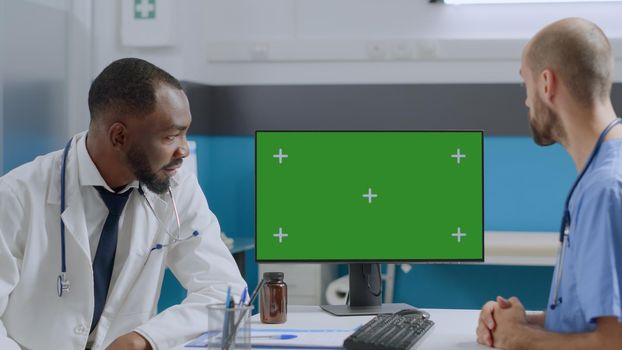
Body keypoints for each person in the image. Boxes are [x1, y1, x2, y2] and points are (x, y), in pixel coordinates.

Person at [0, 58, 247, 350]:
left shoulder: (176, 189)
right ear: (119, 136)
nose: (183, 150)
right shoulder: (17, 196)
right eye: (170, 136)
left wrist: (145, 339)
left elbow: (227, 292)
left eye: (185, 133)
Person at [476, 18, 622, 349]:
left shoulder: (605, 190)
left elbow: (613, 343)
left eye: (524, 85)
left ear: (546, 83)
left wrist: (519, 338)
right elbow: (592, 321)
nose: (527, 102)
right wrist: (517, 322)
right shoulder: (601, 172)